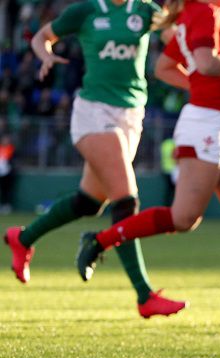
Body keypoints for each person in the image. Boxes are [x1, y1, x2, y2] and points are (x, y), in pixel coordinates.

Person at [75, 0, 220, 326]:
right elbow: (207, 63)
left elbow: (166, 68)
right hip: (207, 125)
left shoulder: (201, 14)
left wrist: (213, 79)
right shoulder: (202, 11)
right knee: (184, 218)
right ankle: (100, 240)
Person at [2, 0, 186, 318]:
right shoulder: (85, 10)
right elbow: (40, 37)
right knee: (126, 200)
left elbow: (175, 37)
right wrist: (45, 55)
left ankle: (24, 237)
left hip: (131, 114)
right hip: (94, 112)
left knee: (89, 202)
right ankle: (144, 295)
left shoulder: (145, 10)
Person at [0, 134, 15, 214]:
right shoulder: (1, 148)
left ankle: (7, 206)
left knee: (8, 190)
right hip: (1, 173)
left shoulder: (12, 149)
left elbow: (13, 160)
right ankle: (2, 205)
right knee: (2, 190)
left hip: (8, 173)